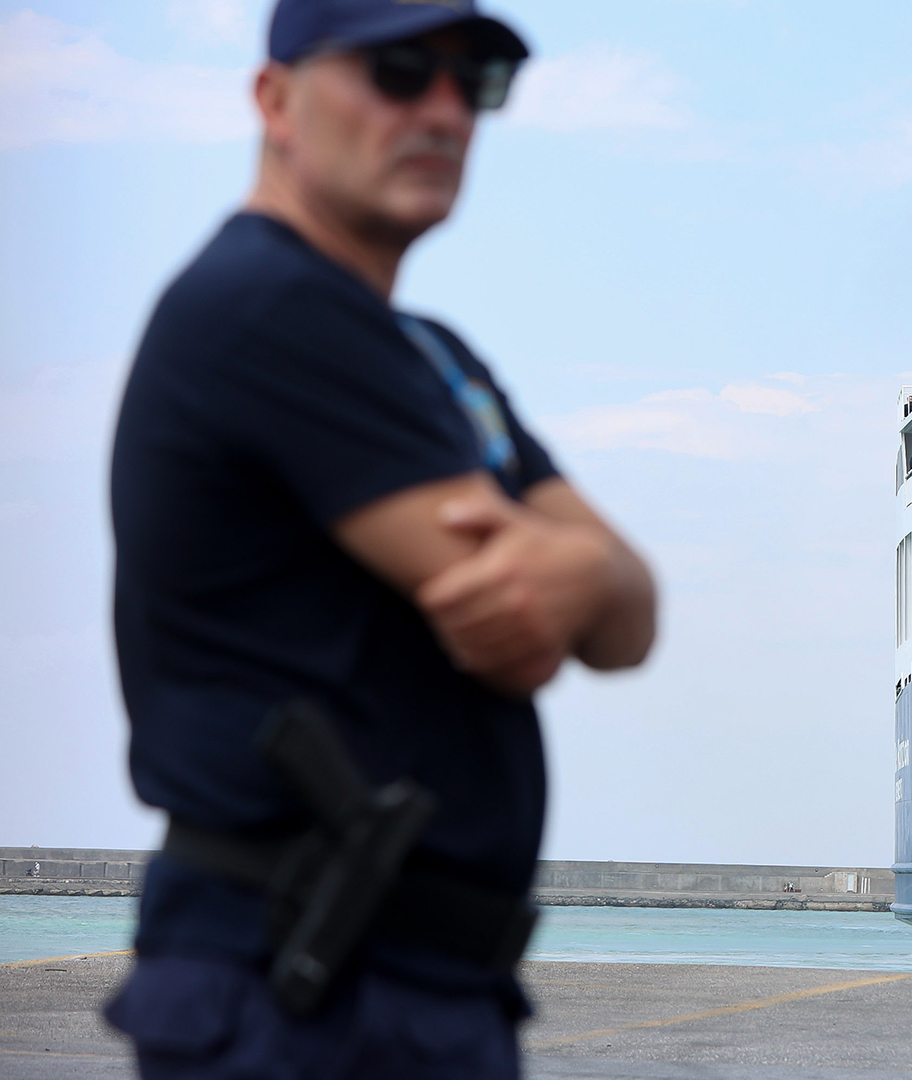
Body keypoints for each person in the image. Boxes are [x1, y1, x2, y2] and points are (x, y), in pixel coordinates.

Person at [103, 1, 659, 1074]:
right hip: (300, 989)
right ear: (274, 99)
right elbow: (537, 627)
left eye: (475, 82)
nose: (445, 111)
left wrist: (586, 567)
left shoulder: (432, 354)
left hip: (421, 986)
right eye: (401, 71)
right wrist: (580, 568)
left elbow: (629, 618)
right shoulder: (263, 305)